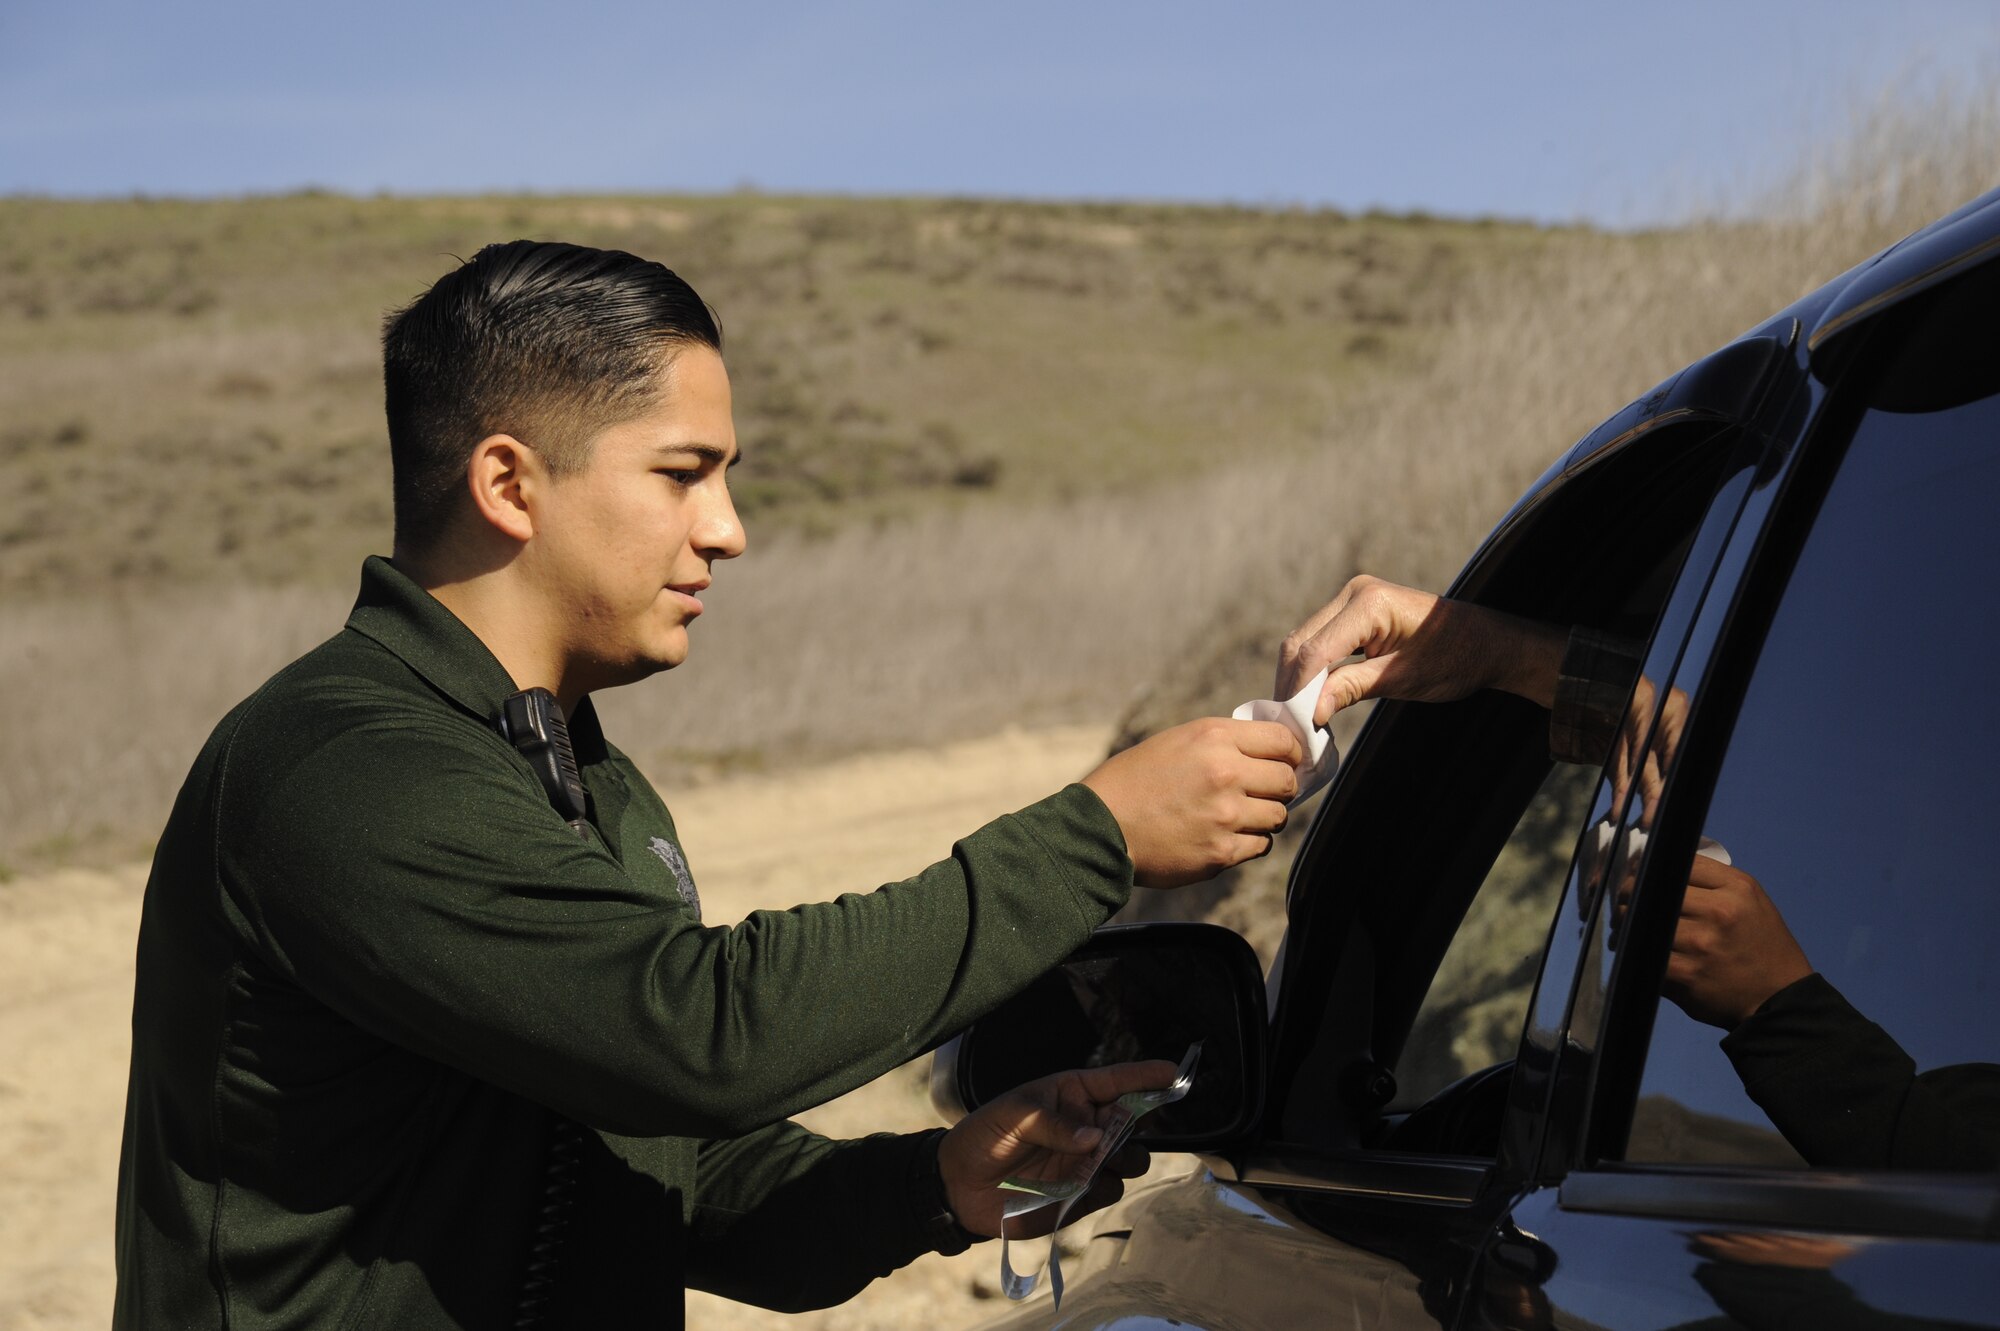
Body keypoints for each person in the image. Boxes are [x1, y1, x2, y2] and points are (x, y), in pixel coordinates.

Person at [114, 241, 1305, 1328]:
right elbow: (696, 1034)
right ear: (508, 483)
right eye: (683, 472)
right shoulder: (346, 766)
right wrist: (1093, 838)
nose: (727, 528)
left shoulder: (588, 778)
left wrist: (935, 1182)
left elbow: (654, 1161)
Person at [1277, 574, 2000, 1172]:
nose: (1897, 788)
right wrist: (1504, 654)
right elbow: (1771, 746)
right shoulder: (1913, 921)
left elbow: (1967, 1201)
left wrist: (1779, 1007)